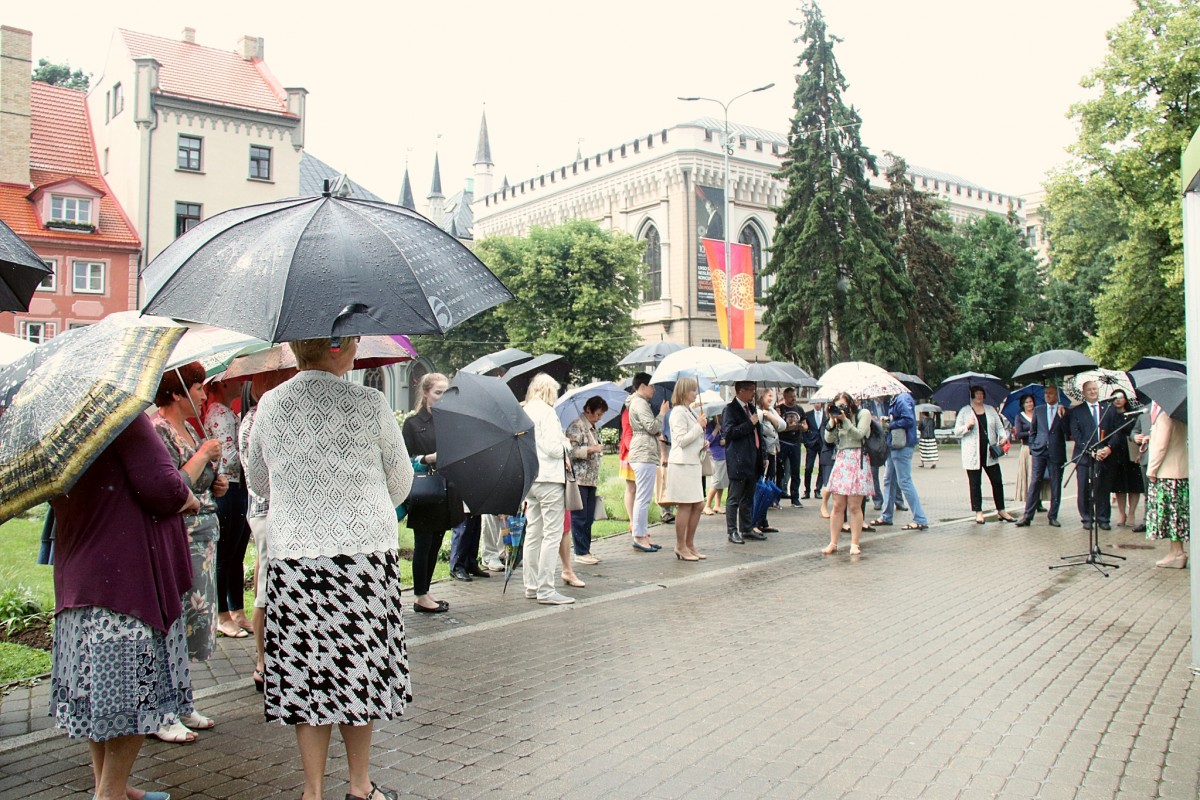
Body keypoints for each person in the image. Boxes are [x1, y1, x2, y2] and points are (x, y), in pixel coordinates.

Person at [247, 335, 413, 800]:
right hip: (362, 559)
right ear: (338, 347)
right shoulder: (370, 402)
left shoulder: (271, 405)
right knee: (359, 673)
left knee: (309, 677)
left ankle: (312, 791)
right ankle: (360, 787)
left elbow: (260, 480)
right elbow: (400, 484)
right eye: (355, 339)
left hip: (296, 560)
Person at [49, 412, 198, 800]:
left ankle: (112, 785)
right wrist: (187, 491)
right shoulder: (121, 417)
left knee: (102, 701)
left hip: (77, 578)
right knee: (131, 700)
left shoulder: (58, 428)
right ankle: (110, 794)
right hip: (124, 586)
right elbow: (160, 487)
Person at [152, 362, 227, 740]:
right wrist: (202, 457)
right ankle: (163, 712)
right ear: (177, 392)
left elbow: (197, 482)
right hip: (178, 540)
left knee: (191, 624)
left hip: (203, 538)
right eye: (198, 388)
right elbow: (168, 486)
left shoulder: (189, 429)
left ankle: (183, 701)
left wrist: (217, 482)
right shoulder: (158, 432)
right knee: (174, 620)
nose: (203, 396)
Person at [237, 368, 295, 694]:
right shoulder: (258, 420)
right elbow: (263, 475)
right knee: (265, 590)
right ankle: (262, 662)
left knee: (268, 583)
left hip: (271, 512)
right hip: (267, 511)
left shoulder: (268, 416)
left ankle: (271, 657)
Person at [402, 373, 460, 613]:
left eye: (445, 393)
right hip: (426, 490)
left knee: (435, 543)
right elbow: (403, 460)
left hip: (447, 489)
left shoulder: (449, 421)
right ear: (425, 393)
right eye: (438, 392)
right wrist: (427, 459)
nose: (442, 397)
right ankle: (419, 595)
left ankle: (425, 591)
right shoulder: (413, 424)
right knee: (423, 543)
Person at [203, 378, 252, 640]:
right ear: (221, 384)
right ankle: (222, 614)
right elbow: (228, 456)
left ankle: (236, 610)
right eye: (235, 380)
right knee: (225, 556)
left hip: (236, 487)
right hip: (228, 487)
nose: (241, 383)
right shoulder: (219, 413)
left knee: (235, 555)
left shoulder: (226, 412)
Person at [521, 373, 575, 604]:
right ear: (549, 391)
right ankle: (546, 589)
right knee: (552, 535)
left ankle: (531, 585)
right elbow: (554, 448)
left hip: (531, 478)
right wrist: (566, 444)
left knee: (533, 533)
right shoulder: (547, 412)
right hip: (550, 478)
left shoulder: (524, 411)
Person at [954, 386, 1017, 524]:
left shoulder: (990, 409)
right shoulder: (965, 411)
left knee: (997, 482)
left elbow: (1000, 427)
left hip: (990, 453)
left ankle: (1001, 510)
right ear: (972, 395)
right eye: (977, 393)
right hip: (972, 455)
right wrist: (967, 426)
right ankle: (978, 512)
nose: (980, 396)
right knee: (975, 484)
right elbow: (956, 431)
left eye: (982, 393)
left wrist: (1003, 437)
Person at [820, 393, 873, 555]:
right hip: (842, 460)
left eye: (843, 405)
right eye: (838, 406)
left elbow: (860, 434)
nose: (841, 409)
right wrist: (832, 420)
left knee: (854, 506)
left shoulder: (863, 414)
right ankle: (833, 543)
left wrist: (846, 420)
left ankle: (855, 543)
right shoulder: (837, 419)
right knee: (837, 506)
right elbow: (828, 439)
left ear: (850, 404)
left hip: (858, 459)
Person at [872, 391, 930, 531]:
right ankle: (886, 516)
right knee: (889, 480)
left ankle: (920, 519)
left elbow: (908, 420)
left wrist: (890, 424)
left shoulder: (901, 398)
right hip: (895, 445)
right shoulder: (897, 399)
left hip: (902, 445)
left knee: (904, 481)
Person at [1067, 379, 1121, 530]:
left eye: (1095, 389)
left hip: (1105, 456)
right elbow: (1076, 434)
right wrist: (1092, 450)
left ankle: (1103, 518)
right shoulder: (1077, 411)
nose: (1093, 392)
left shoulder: (1108, 409)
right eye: (1089, 389)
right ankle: (1087, 518)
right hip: (1084, 457)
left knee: (1103, 487)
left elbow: (1117, 431)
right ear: (1084, 393)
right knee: (1084, 488)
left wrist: (1109, 448)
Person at [663, 377, 707, 560]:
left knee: (698, 504)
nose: (695, 393)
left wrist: (702, 443)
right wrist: (698, 427)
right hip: (682, 465)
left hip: (692, 463)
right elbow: (680, 440)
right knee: (686, 505)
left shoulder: (689, 411)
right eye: (692, 390)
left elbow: (691, 439)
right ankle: (680, 545)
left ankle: (689, 543)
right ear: (683, 392)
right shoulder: (678, 412)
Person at [1016, 384, 1069, 528]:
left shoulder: (1063, 410)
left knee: (1055, 484)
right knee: (1035, 482)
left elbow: (1068, 432)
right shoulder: (1038, 410)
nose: (1047, 395)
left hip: (1056, 451)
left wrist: (1062, 416)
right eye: (1046, 393)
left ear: (1057, 395)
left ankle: (1053, 516)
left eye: (1051, 393)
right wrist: (1033, 447)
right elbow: (1033, 431)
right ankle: (1027, 516)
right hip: (1040, 451)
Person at [626, 372, 667, 552]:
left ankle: (642, 535)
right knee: (642, 498)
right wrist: (662, 414)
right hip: (643, 454)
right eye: (652, 386)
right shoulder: (640, 403)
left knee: (643, 497)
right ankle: (639, 537)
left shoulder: (638, 402)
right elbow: (652, 427)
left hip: (644, 452)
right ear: (642, 386)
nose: (654, 389)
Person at [1145, 404, 1189, 568]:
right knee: (1177, 516)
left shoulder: (1165, 414)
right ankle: (1177, 551)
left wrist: (1152, 469)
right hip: (1180, 471)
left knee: (1172, 516)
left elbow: (1162, 445)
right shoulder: (1180, 414)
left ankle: (1176, 553)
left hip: (1167, 473)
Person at [566, 396, 608, 566]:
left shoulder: (591, 428)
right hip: (580, 478)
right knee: (580, 516)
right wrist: (591, 449)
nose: (598, 418)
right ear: (588, 410)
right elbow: (571, 451)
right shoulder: (577, 426)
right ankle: (580, 550)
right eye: (597, 414)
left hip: (591, 478)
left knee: (589, 516)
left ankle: (586, 549)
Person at [723, 381, 762, 544]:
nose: (753, 393)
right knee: (734, 498)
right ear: (740, 391)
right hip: (738, 459)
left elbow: (758, 433)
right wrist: (749, 423)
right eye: (751, 390)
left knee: (748, 497)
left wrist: (763, 455)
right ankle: (732, 531)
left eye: (754, 390)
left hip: (753, 459)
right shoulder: (730, 409)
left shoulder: (751, 408)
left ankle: (746, 528)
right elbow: (729, 432)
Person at [1108, 389, 1145, 527]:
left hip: (1131, 452)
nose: (1118, 400)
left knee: (1134, 484)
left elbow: (1136, 431)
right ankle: (1122, 513)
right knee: (1119, 486)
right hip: (1115, 453)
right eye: (1115, 398)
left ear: (1125, 399)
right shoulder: (1109, 415)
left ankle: (1132, 513)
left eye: (1121, 397)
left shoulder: (1133, 414)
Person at [754, 387, 785, 533]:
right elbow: (757, 420)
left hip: (773, 452)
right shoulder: (755, 410)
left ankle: (764, 521)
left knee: (769, 485)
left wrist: (770, 415)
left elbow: (782, 425)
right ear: (761, 397)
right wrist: (763, 414)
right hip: (763, 454)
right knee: (760, 488)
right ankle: (756, 521)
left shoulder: (771, 411)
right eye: (769, 396)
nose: (771, 399)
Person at [775, 387, 806, 506]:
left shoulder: (799, 409)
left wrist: (802, 427)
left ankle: (795, 498)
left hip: (795, 443)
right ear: (785, 397)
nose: (793, 399)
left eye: (795, 396)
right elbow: (777, 425)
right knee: (780, 471)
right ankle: (777, 497)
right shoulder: (780, 409)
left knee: (795, 471)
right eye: (791, 396)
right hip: (783, 443)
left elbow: (805, 425)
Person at [1011, 394, 1037, 508]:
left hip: (1038, 447)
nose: (1029, 404)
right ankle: (1029, 501)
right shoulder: (1019, 416)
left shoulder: (1038, 413)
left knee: (1037, 475)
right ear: (1023, 404)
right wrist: (1032, 432)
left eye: (1030, 401)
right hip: (1027, 448)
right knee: (1028, 475)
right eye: (1026, 402)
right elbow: (1019, 434)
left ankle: (1039, 501)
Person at [803, 402, 828, 499]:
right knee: (808, 467)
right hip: (811, 444)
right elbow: (804, 430)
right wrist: (806, 442)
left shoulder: (826, 415)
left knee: (821, 467)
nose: (817, 405)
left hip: (822, 443)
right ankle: (807, 490)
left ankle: (818, 489)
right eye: (815, 403)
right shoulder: (808, 415)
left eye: (818, 403)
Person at [703, 416, 727, 515]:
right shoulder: (710, 426)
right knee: (716, 482)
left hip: (724, 454)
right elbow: (707, 441)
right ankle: (707, 505)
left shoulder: (724, 425)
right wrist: (716, 430)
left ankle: (717, 505)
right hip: (715, 455)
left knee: (721, 482)